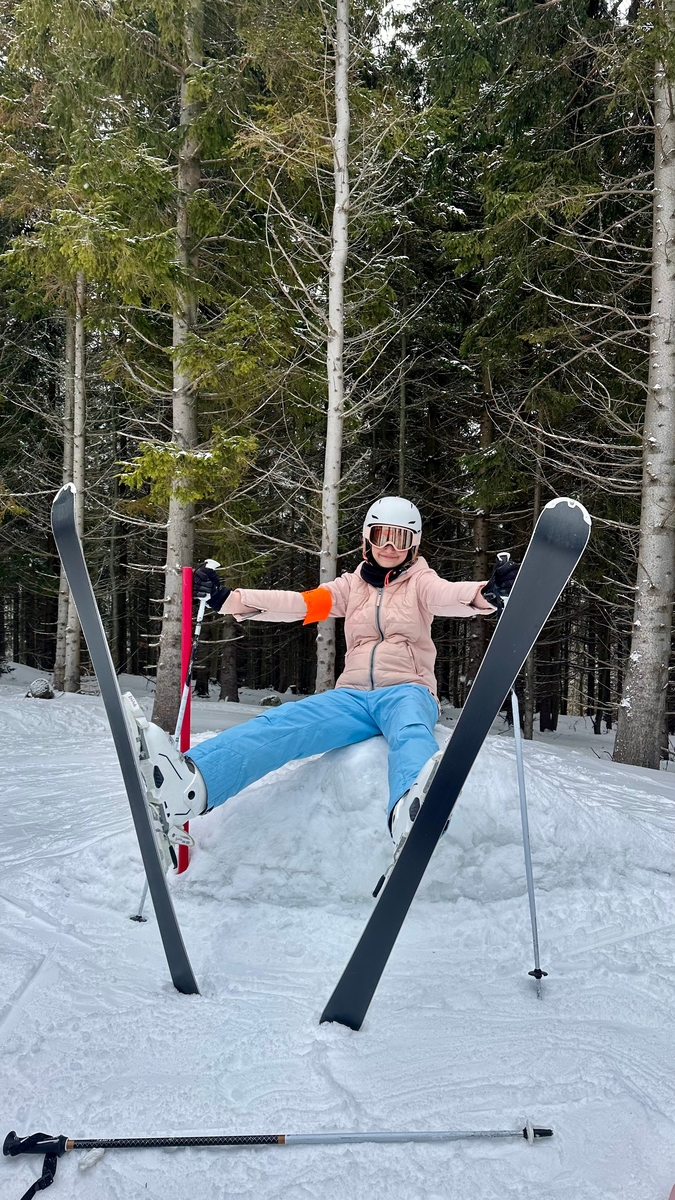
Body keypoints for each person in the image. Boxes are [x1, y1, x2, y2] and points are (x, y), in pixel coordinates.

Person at [133, 497, 518, 859]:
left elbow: (453, 596)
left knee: (411, 730)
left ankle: (413, 810)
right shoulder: (350, 587)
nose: (389, 546)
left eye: (400, 539)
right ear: (367, 539)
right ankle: (194, 783)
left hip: (406, 689)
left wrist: (488, 594)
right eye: (381, 535)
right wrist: (229, 599)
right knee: (282, 724)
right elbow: (300, 604)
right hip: (351, 697)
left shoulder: (421, 583)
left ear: (413, 546)